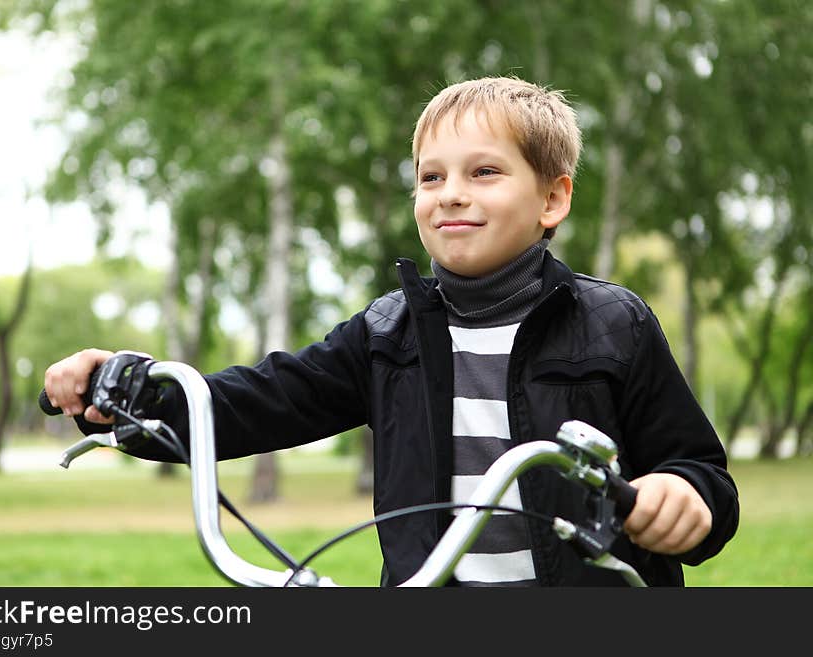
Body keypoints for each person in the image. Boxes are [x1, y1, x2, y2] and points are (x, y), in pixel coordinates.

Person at [44, 76, 739, 586]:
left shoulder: (614, 324)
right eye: (430, 176)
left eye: (484, 172)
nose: (451, 193)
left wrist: (685, 495)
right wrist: (138, 395)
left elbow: (703, 473)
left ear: (552, 198)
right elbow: (257, 402)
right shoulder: (387, 332)